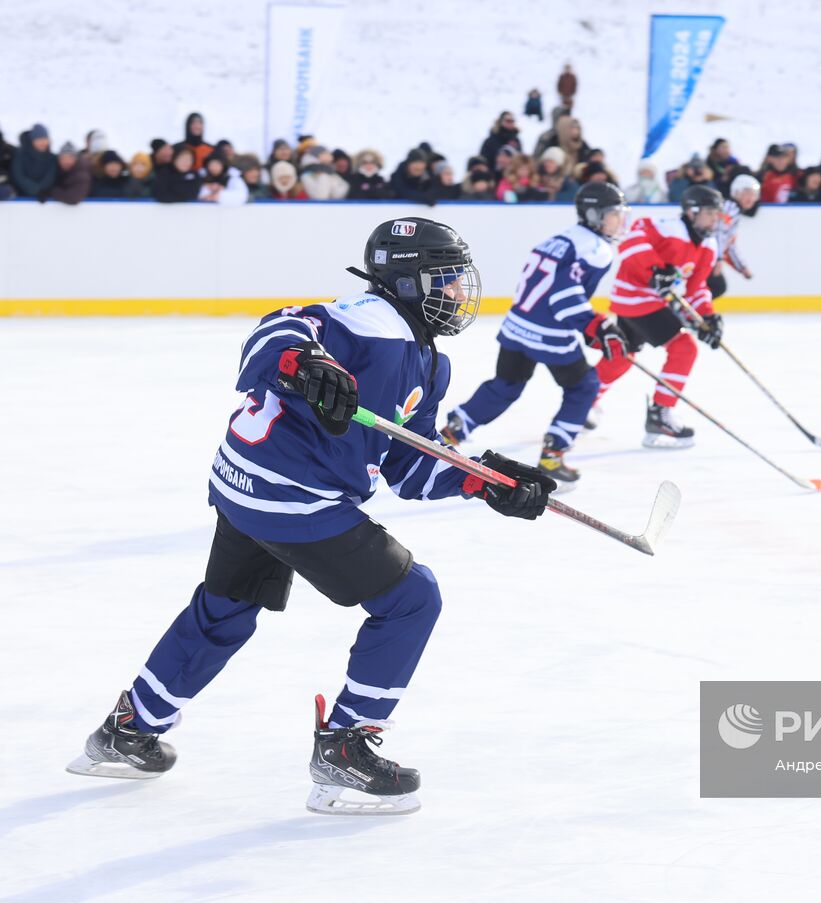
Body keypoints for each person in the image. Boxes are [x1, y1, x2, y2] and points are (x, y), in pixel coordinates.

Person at [68, 217, 556, 817]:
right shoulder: (363, 324)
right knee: (412, 598)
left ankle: (129, 729)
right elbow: (274, 333)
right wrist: (301, 363)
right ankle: (347, 749)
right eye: (446, 280)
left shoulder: (427, 360)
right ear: (406, 283)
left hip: (244, 486)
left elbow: (408, 465)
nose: (460, 293)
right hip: (292, 498)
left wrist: (485, 481)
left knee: (226, 609)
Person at [440, 184, 633, 483]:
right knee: (584, 387)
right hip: (549, 332)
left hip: (517, 324)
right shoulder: (597, 250)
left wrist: (590, 324)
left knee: (506, 385)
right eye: (613, 214)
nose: (620, 221)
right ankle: (553, 455)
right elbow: (563, 294)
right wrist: (594, 325)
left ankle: (455, 429)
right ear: (595, 215)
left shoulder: (560, 238)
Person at [592, 185, 724, 448]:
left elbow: (696, 287)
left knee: (622, 357)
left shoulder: (709, 245)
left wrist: (708, 317)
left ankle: (584, 400)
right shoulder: (669, 228)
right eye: (709, 212)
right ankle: (660, 414)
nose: (715, 219)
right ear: (692, 211)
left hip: (646, 302)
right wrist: (655, 269)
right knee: (684, 348)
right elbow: (630, 241)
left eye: (717, 213)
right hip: (636, 298)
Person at [708, 173, 758, 300]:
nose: (751, 198)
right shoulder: (729, 209)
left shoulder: (733, 210)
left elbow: (729, 244)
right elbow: (717, 232)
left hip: (708, 256)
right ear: (736, 192)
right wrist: (717, 259)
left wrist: (742, 267)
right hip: (706, 256)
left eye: (754, 194)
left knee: (716, 286)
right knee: (717, 286)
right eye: (748, 193)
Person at [10, 124, 56, 198]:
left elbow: (50, 176)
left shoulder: (52, 158)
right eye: (39, 140)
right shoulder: (20, 155)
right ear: (32, 141)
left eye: (45, 139)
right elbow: (19, 176)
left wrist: (42, 190)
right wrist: (36, 190)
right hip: (21, 197)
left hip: (45, 195)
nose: (42, 143)